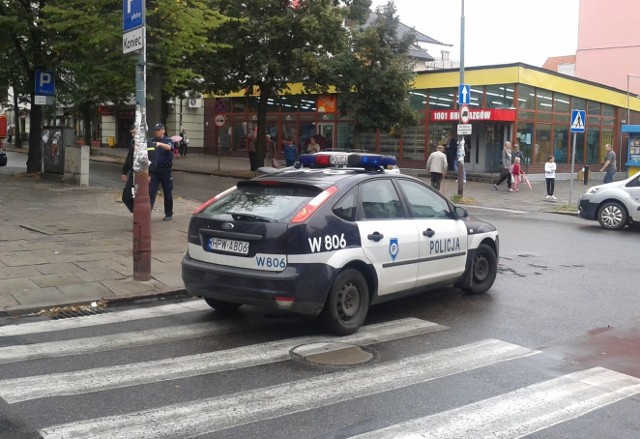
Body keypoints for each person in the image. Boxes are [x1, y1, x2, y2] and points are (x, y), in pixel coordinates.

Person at [148, 123, 175, 221]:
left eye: (159, 130)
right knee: (151, 191)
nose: (157, 132)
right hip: (154, 170)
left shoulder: (168, 140)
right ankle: (147, 214)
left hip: (165, 170)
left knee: (167, 192)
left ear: (163, 130)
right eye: (155, 130)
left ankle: (168, 213)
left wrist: (160, 144)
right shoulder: (151, 141)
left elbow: (169, 147)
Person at [120, 125, 136, 213]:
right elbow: (129, 158)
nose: (133, 135)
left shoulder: (146, 143)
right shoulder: (132, 142)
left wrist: (150, 174)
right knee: (126, 196)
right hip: (133, 172)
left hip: (141, 174)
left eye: (135, 133)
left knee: (139, 196)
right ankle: (136, 211)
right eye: (132, 133)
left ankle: (141, 214)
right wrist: (124, 172)